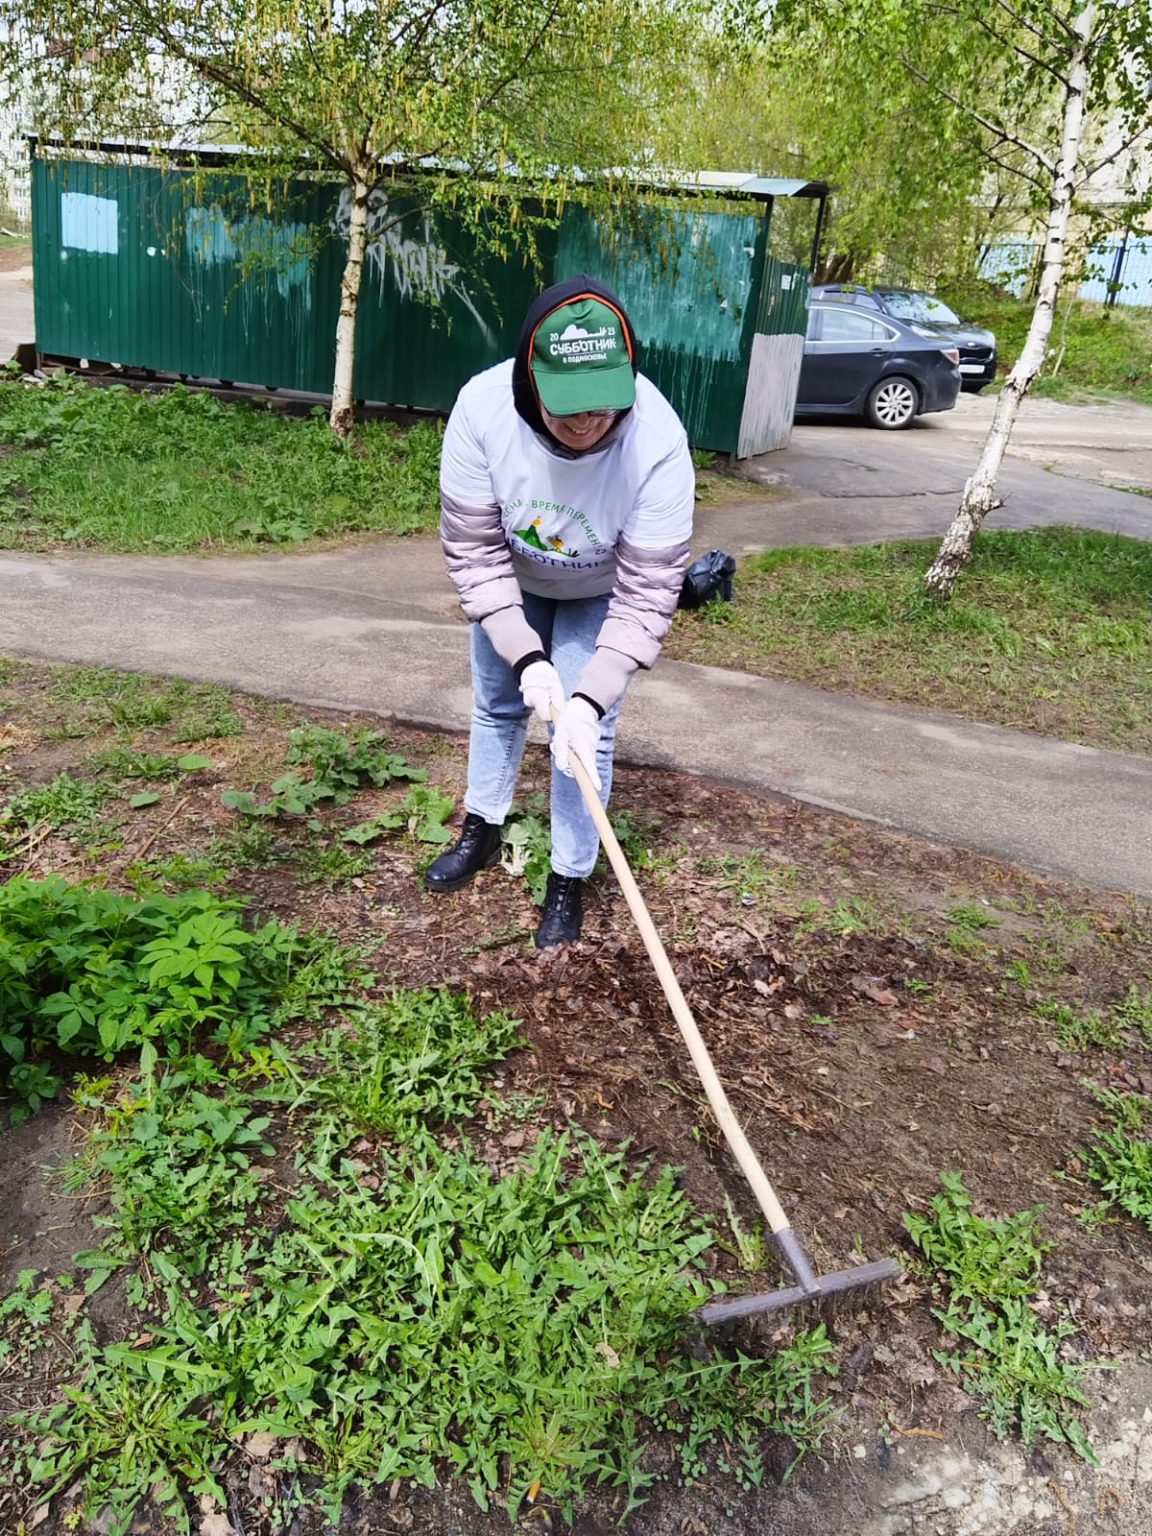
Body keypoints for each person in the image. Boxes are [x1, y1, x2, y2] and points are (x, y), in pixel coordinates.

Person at [426, 273, 695, 947]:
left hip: (601, 590)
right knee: (497, 704)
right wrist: (524, 654)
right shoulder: (481, 410)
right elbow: (477, 556)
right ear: (529, 376)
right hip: (512, 579)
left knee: (582, 740)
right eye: (568, 407)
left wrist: (588, 698)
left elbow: (646, 594)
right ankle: (483, 827)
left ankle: (567, 876)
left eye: (602, 408)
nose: (585, 424)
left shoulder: (658, 442)